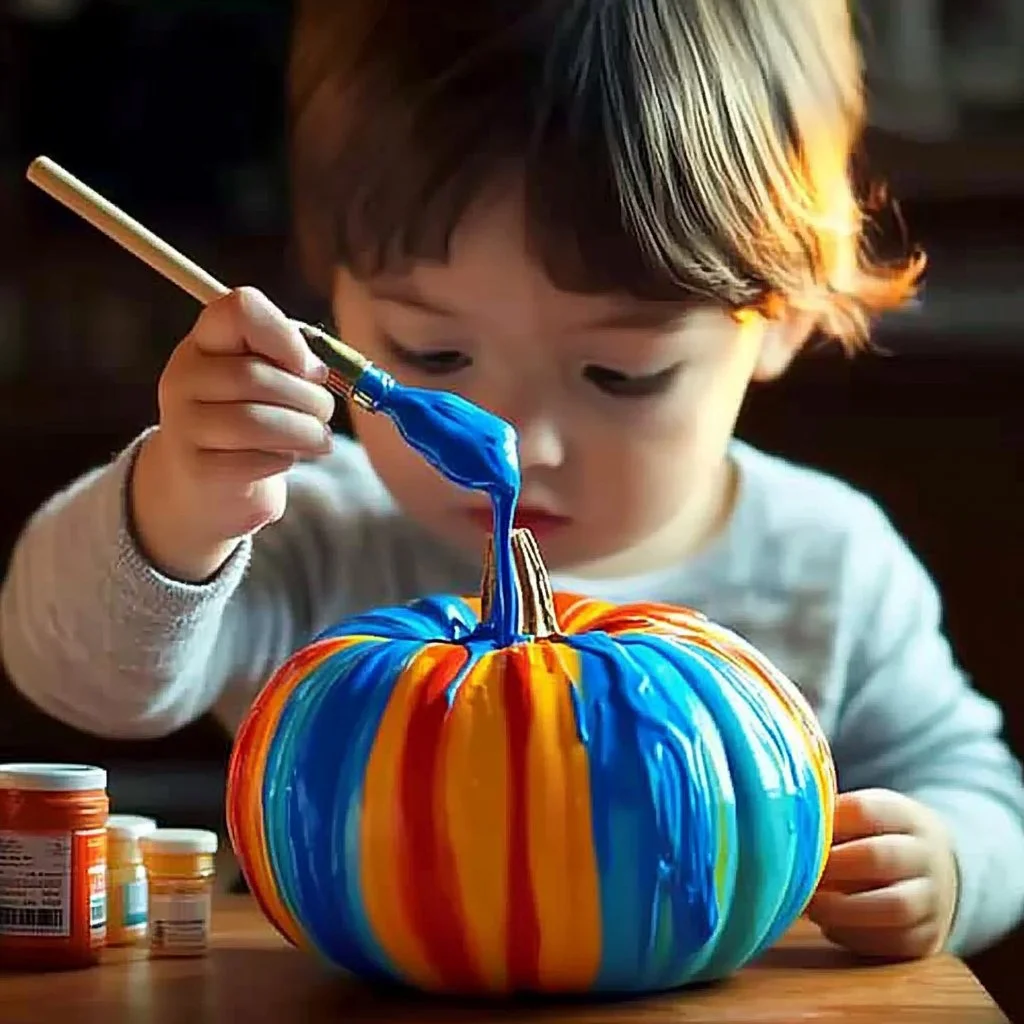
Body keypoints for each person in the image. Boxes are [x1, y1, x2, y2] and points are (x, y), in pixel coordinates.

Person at [3, 0, 1023, 963]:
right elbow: (79, 678)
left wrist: (948, 863)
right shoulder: (302, 529)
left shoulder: (828, 564)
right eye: (434, 355)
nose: (520, 443)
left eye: (618, 373)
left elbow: (980, 791)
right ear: (335, 295)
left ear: (784, 318)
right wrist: (184, 507)